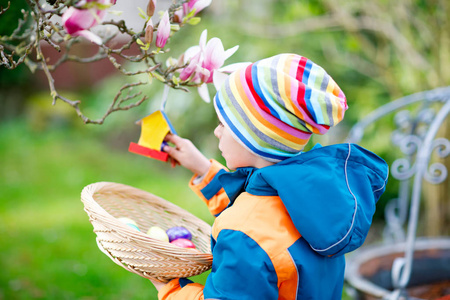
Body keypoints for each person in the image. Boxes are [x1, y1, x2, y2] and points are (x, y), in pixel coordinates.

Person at [150, 53, 389, 299]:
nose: (216, 131)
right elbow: (265, 219)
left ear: (253, 138)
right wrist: (203, 168)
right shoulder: (316, 194)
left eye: (223, 124)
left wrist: (169, 286)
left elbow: (252, 228)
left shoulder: (243, 235)